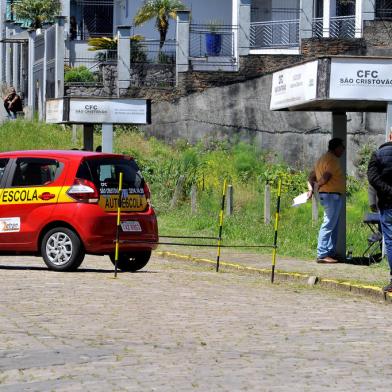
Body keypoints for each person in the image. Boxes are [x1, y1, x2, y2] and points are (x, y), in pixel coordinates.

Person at [307, 138, 346, 263]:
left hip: (327, 195)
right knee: (329, 224)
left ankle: (330, 252)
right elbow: (326, 176)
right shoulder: (332, 159)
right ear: (336, 147)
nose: (344, 150)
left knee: (333, 225)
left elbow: (311, 176)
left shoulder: (322, 159)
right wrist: (318, 185)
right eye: (342, 147)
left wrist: (312, 188)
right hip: (332, 195)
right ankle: (322, 254)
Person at [368, 137, 392, 292]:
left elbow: (372, 178)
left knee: (390, 241)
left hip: (387, 204)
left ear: (390, 137)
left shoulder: (377, 154)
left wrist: (388, 191)